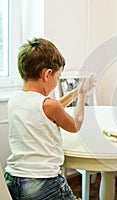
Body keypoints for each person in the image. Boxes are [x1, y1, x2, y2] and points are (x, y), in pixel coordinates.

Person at [4, 38, 96, 200]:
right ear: (47, 74)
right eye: (57, 76)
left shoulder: (15, 99)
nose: (56, 82)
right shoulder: (49, 105)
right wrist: (82, 95)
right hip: (43, 183)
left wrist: (75, 91)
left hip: (14, 180)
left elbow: (49, 109)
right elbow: (75, 125)